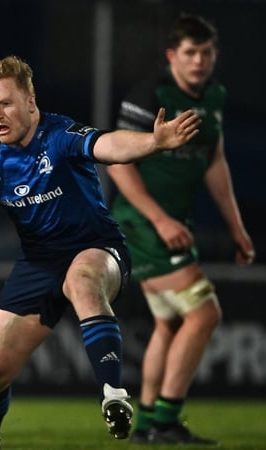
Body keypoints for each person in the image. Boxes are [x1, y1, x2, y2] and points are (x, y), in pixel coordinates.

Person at [0, 55, 201, 450]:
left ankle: (113, 394)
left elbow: (108, 144)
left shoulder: (59, 134)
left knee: (81, 281)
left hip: (96, 247)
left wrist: (154, 141)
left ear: (30, 102)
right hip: (37, 263)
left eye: (6, 103)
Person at [106, 14, 254, 445]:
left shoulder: (215, 96)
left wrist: (237, 228)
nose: (199, 61)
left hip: (171, 224)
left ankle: (149, 425)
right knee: (204, 313)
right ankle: (166, 422)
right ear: (172, 55)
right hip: (143, 223)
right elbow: (119, 165)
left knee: (169, 325)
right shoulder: (149, 95)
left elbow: (214, 161)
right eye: (190, 52)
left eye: (206, 52)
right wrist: (160, 218)